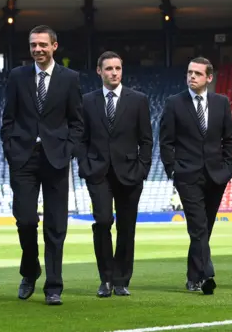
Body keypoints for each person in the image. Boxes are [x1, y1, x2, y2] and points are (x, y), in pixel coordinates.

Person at [0, 25, 83, 305]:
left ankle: (54, 286)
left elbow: (77, 121)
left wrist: (68, 149)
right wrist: (10, 149)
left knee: (56, 225)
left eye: (43, 45)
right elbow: (8, 118)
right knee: (25, 220)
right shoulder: (17, 76)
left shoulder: (70, 79)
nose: (38, 49)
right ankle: (30, 269)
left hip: (56, 158)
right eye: (33, 44)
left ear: (54, 46)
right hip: (23, 158)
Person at [77, 51, 153, 297]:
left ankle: (121, 280)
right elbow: (81, 138)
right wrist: (85, 164)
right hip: (97, 172)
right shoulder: (87, 101)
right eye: (108, 68)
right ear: (99, 71)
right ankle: (105, 279)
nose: (114, 73)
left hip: (130, 173)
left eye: (118, 68)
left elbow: (146, 140)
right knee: (102, 222)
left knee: (126, 227)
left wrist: (142, 169)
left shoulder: (138, 100)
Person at [159, 57, 232, 295]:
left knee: (205, 229)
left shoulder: (221, 102)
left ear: (209, 78)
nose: (192, 77)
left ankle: (193, 277)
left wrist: (228, 168)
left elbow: (229, 139)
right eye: (189, 72)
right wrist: (173, 169)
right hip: (187, 175)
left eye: (198, 74)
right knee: (198, 227)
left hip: (216, 175)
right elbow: (166, 140)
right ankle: (206, 275)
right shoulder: (174, 103)